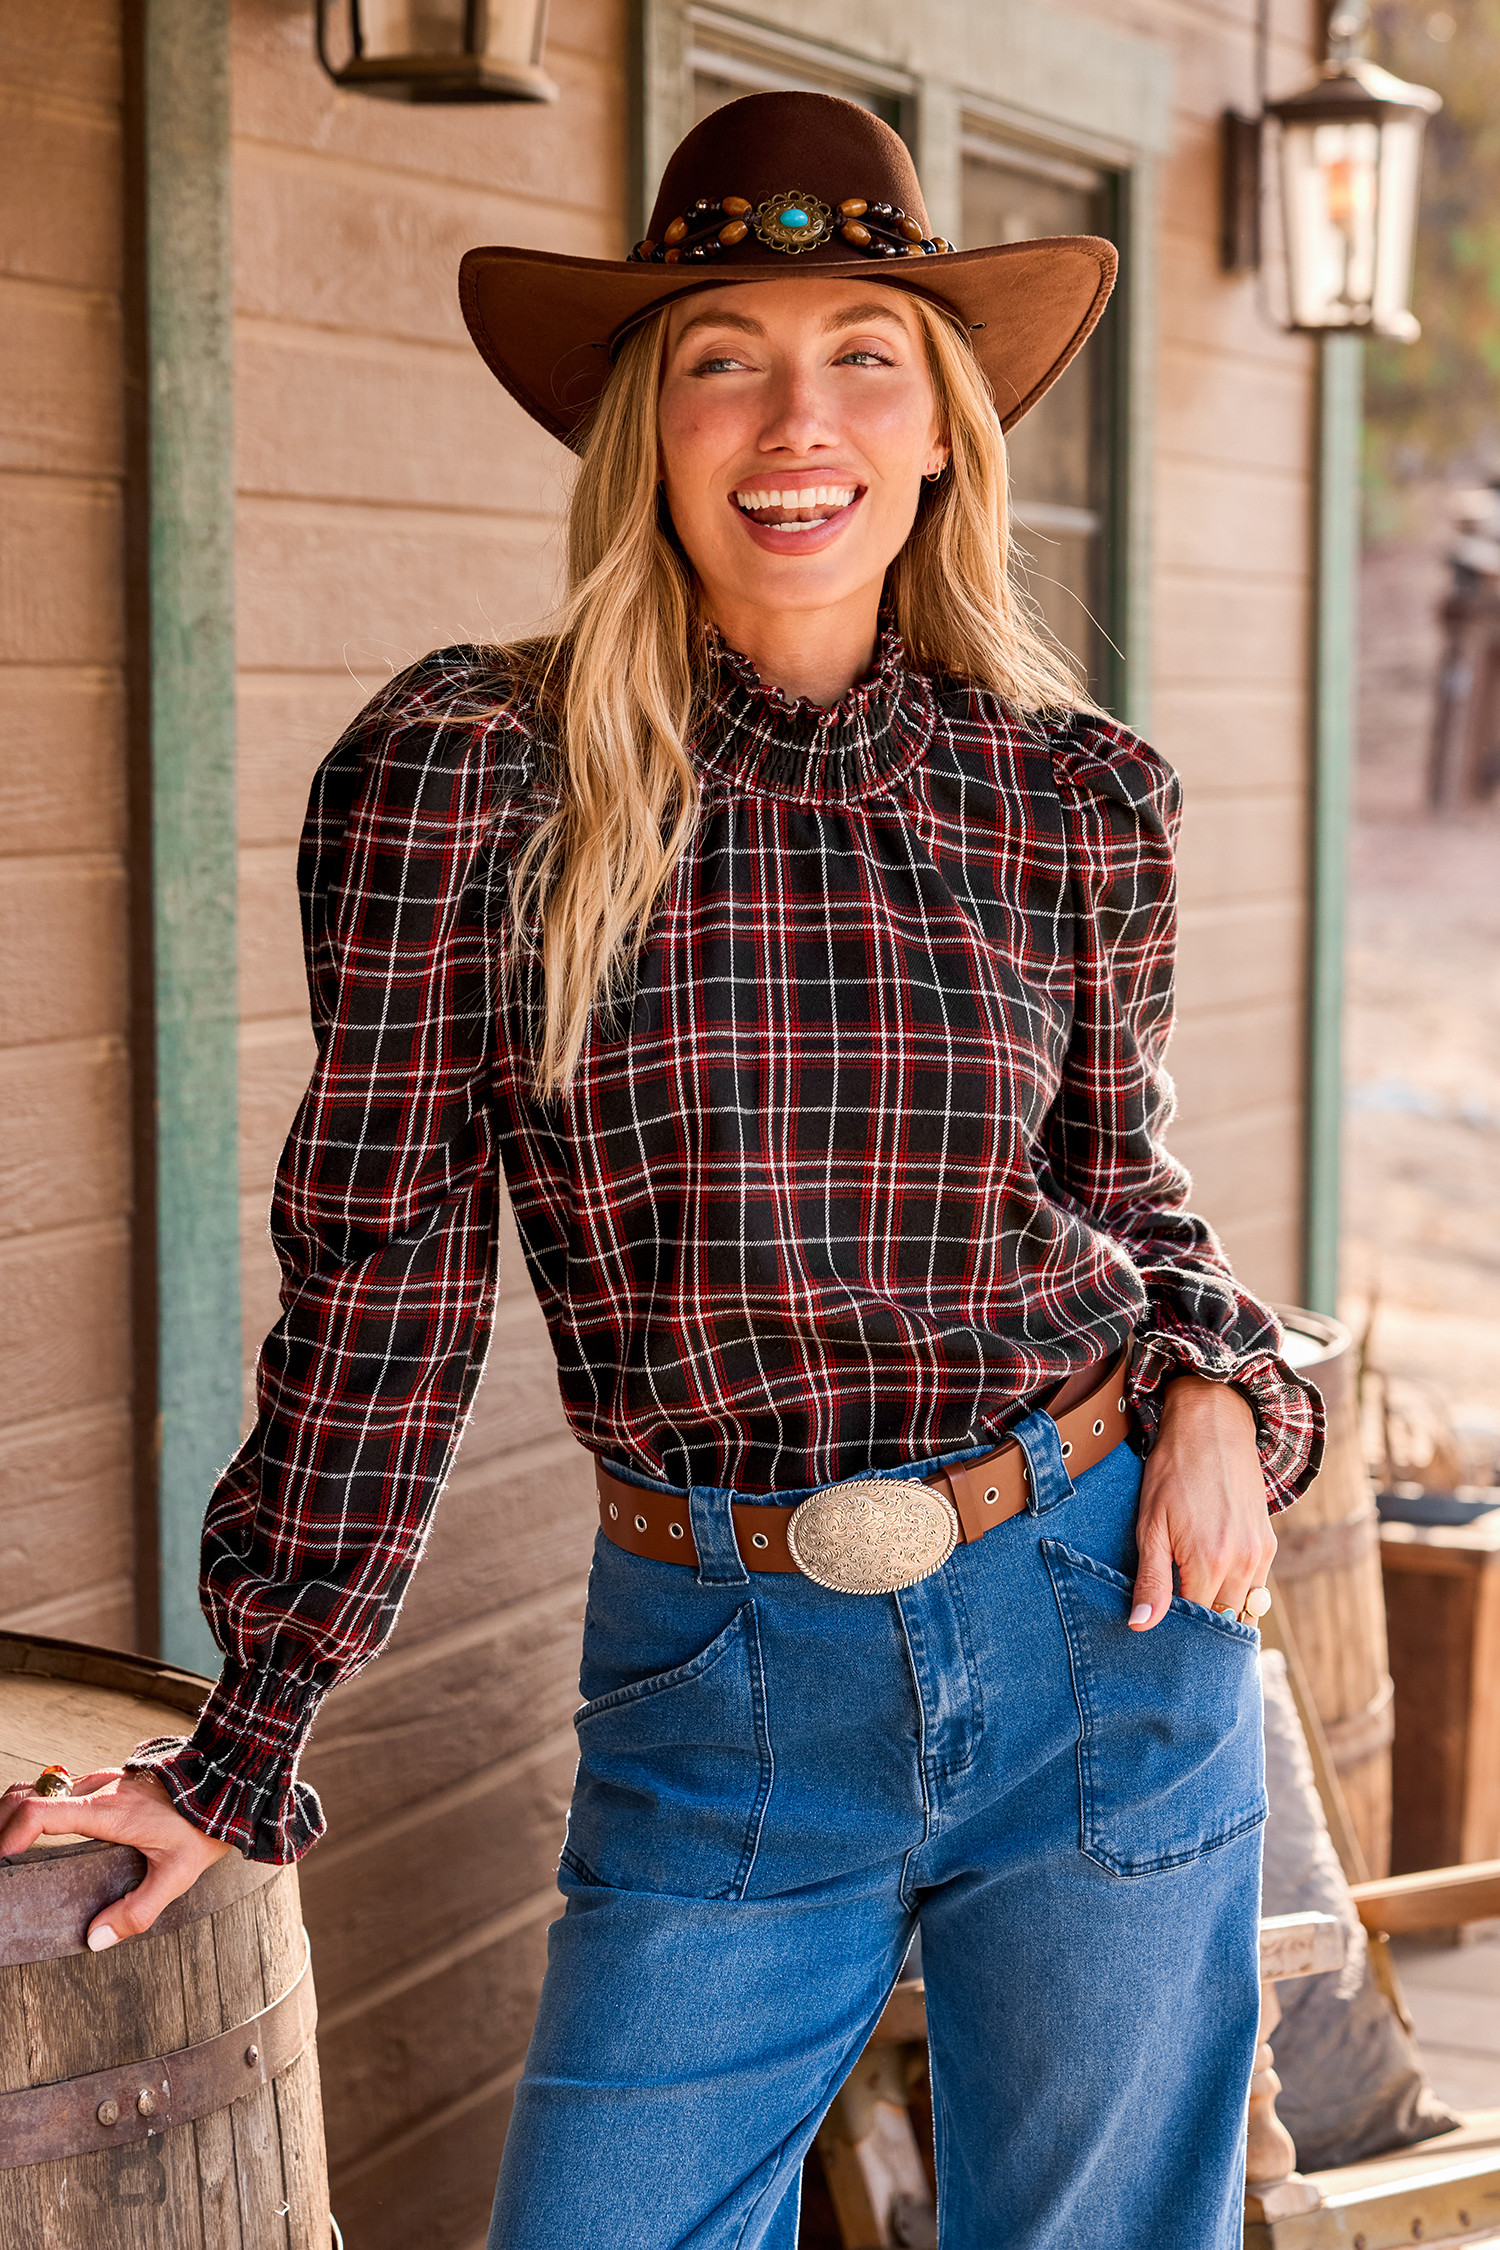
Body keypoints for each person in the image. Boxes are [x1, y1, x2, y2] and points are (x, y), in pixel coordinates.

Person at [0, 93, 1324, 2249]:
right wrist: (248, 1742)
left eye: (865, 353)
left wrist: (1230, 1395)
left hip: (1103, 1625)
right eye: (725, 352)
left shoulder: (1077, 798)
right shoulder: (469, 775)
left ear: (938, 433)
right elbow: (382, 1284)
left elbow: (1132, 1211)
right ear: (645, 425)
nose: (796, 416)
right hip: (719, 1671)